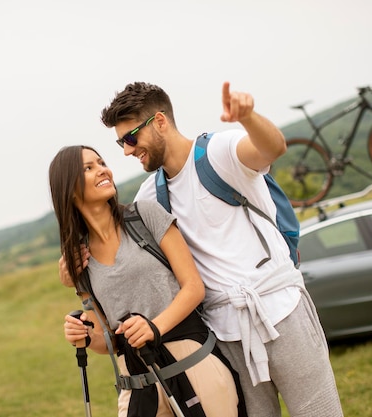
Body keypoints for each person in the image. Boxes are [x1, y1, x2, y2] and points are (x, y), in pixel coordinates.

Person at [63, 81, 344, 416]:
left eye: (131, 138)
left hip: (280, 309)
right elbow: (115, 249)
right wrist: (70, 269)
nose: (126, 150)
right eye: (121, 141)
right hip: (224, 333)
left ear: (161, 122)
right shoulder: (149, 198)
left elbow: (272, 149)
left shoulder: (217, 152)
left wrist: (249, 117)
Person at [50, 145, 245, 417]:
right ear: (69, 189)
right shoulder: (78, 260)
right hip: (137, 382)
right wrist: (82, 335)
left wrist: (154, 328)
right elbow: (110, 342)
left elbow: (193, 287)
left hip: (193, 361)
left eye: (101, 162)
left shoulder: (144, 215)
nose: (103, 169)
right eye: (89, 168)